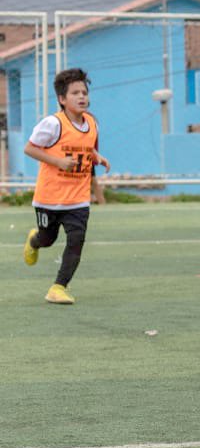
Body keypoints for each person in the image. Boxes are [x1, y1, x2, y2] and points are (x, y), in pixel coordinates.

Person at [21, 68, 111, 304]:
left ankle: (59, 287)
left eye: (84, 92)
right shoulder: (52, 124)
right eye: (75, 93)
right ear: (62, 99)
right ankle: (34, 240)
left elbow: (86, 145)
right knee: (47, 239)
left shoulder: (92, 122)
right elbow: (29, 148)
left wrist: (96, 156)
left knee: (76, 240)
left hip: (78, 199)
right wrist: (59, 161)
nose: (82, 97)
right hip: (49, 198)